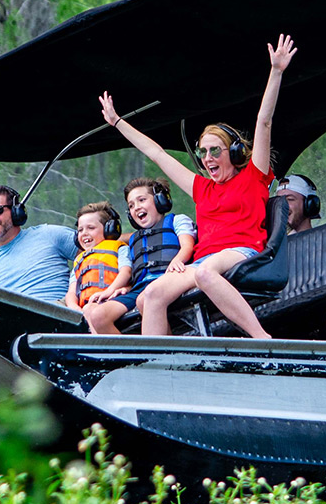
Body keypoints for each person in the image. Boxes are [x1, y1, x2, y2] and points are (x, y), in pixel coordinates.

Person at [98, 34, 296, 338]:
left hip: (242, 252)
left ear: (233, 153)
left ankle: (263, 338)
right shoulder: (202, 187)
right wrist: (117, 122)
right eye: (203, 152)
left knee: (205, 273)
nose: (207, 158)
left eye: (215, 150)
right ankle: (156, 366)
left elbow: (264, 121)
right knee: (151, 295)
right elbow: (157, 153)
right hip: (203, 259)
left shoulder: (253, 175)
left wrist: (277, 71)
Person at [80, 178, 198, 334]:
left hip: (169, 279)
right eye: (131, 205)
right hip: (139, 288)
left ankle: (158, 355)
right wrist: (123, 288)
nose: (136, 208)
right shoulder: (133, 240)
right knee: (97, 316)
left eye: (142, 200)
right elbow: (130, 270)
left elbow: (187, 246)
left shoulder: (176, 220)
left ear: (160, 200)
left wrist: (177, 260)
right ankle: (130, 358)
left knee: (147, 298)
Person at [0, 183, 77, 303]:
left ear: (16, 212)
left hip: (55, 314)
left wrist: (74, 290)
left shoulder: (49, 234)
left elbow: (97, 251)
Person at [64, 202, 124, 311]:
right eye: (80, 230)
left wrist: (109, 291)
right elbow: (71, 292)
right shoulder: (79, 260)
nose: (84, 233)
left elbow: (127, 272)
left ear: (109, 229)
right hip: (85, 308)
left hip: (112, 301)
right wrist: (74, 307)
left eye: (91, 228)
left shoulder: (119, 249)